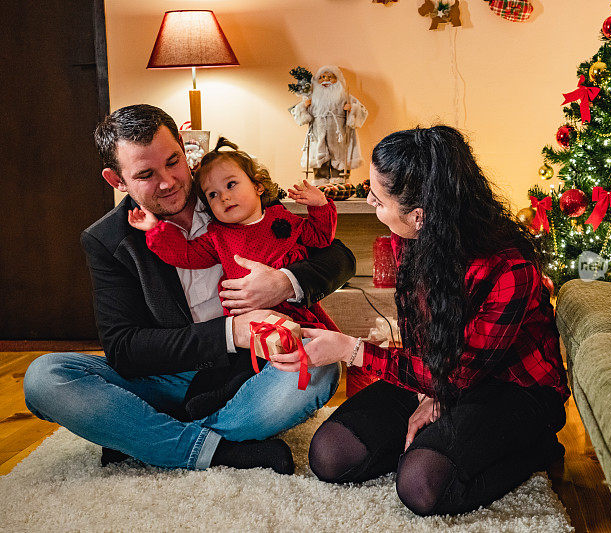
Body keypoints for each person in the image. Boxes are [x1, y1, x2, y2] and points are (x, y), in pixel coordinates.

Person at [23, 104, 355, 473]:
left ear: (184, 148)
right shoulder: (106, 240)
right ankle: (221, 450)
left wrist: (284, 283)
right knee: (45, 377)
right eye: (146, 174)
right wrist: (234, 332)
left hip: (250, 375)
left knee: (320, 364)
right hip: (168, 379)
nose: (168, 181)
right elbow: (124, 349)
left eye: (173, 161)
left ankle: (146, 438)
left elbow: (337, 256)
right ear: (116, 180)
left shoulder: (226, 188)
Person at [269, 126, 570, 515]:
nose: (368, 200)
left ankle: (537, 445)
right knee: (331, 454)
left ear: (419, 215)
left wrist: (350, 349)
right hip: (442, 372)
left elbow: (461, 374)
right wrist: (428, 392)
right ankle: (441, 444)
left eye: (377, 199)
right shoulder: (408, 238)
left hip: (515, 387)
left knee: (420, 485)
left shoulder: (511, 268)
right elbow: (418, 334)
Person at [128, 136, 339, 419]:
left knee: (306, 364)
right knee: (231, 372)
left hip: (295, 320)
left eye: (231, 185)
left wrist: (320, 205)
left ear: (258, 185)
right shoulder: (218, 236)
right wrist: (155, 229)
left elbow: (321, 237)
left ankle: (228, 420)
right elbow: (186, 255)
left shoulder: (284, 219)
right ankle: (200, 409)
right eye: (212, 195)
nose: (224, 196)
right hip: (247, 330)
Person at [290, 65, 368, 182]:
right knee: (319, 156)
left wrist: (352, 109)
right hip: (317, 134)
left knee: (339, 156)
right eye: (321, 77)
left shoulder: (344, 96)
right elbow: (298, 114)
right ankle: (320, 181)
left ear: (337, 79)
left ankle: (339, 181)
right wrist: (304, 107)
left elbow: (362, 111)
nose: (325, 80)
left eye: (330, 77)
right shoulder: (312, 98)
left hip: (339, 136)